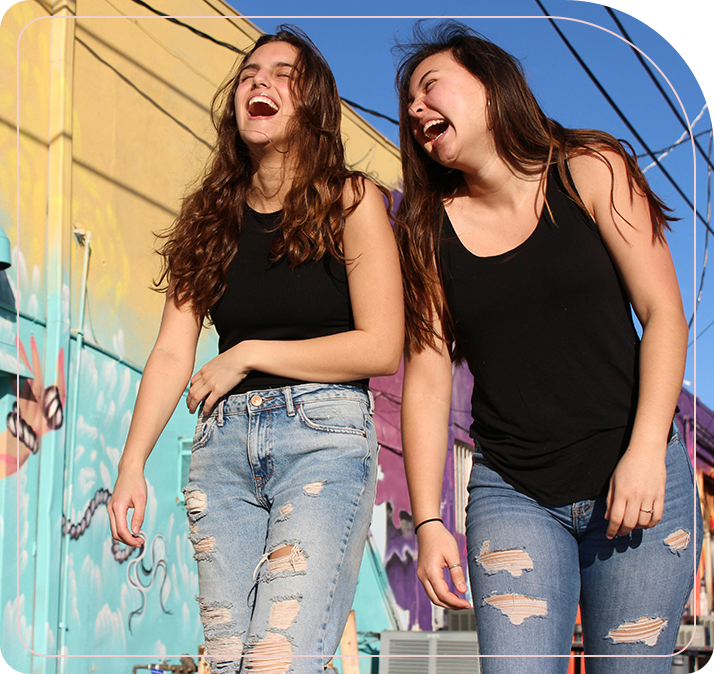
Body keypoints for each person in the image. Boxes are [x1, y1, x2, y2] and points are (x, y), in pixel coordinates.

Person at [394, 21, 700, 674]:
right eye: (407, 105)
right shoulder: (425, 233)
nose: (416, 109)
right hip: (514, 493)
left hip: (637, 474)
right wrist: (427, 522)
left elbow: (663, 314)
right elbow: (425, 376)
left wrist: (647, 450)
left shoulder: (591, 169)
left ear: (488, 84)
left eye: (429, 86)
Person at [108, 26, 403, 674]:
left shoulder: (351, 200)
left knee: (277, 661)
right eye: (248, 74)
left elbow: (381, 345)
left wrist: (247, 355)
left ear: (314, 106)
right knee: (230, 661)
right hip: (221, 455)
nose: (259, 83)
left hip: (322, 440)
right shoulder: (208, 220)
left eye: (281, 74)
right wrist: (132, 464)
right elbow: (169, 352)